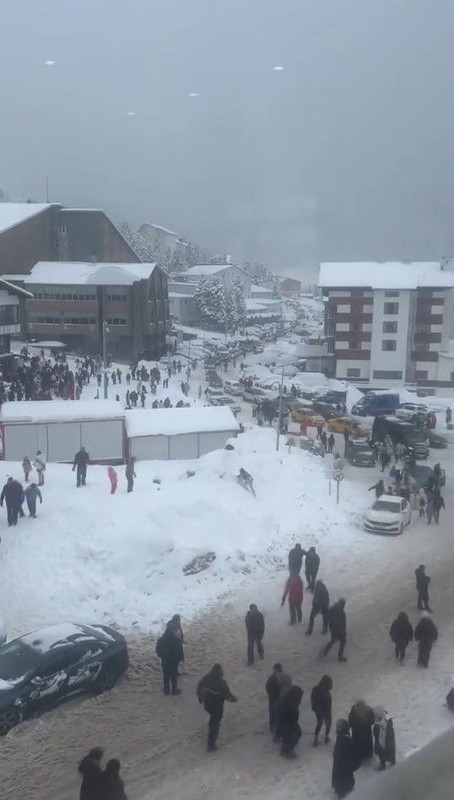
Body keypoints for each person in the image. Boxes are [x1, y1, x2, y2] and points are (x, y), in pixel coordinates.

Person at [197, 663, 237, 752]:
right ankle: (211, 745)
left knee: (213, 720)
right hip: (217, 707)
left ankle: (211, 741)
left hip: (208, 705)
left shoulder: (206, 679)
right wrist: (234, 699)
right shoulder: (221, 683)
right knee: (215, 723)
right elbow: (227, 695)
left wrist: (200, 698)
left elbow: (199, 688)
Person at [332, 719, 361, 798]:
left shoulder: (346, 740)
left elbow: (356, 759)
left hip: (343, 777)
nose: (337, 729)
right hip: (341, 776)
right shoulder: (342, 739)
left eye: (339, 728)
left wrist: (349, 768)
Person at [155, 622, 183, 695]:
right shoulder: (176, 640)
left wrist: (161, 656)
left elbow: (157, 649)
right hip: (173, 661)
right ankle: (174, 689)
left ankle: (166, 690)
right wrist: (179, 658)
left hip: (165, 660)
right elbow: (179, 650)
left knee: (166, 675)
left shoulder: (161, 640)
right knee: (173, 675)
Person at [276, 684, 303, 758]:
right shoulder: (291, 704)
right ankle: (287, 750)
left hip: (285, 720)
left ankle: (285, 749)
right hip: (288, 722)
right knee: (293, 734)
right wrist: (294, 724)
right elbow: (293, 715)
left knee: (288, 735)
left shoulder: (286, 698)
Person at [265, 664, 291, 740]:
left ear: (275, 669)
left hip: (273, 698)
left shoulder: (273, 677)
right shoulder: (286, 676)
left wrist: (270, 694)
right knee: (280, 714)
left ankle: (273, 728)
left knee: (273, 712)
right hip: (283, 698)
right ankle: (279, 729)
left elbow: (267, 686)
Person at [311, 675, 333, 746]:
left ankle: (316, 738)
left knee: (319, 723)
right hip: (325, 710)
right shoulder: (327, 694)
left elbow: (312, 698)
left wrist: (314, 706)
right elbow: (328, 705)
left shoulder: (315, 688)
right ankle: (326, 737)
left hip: (317, 709)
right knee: (328, 723)